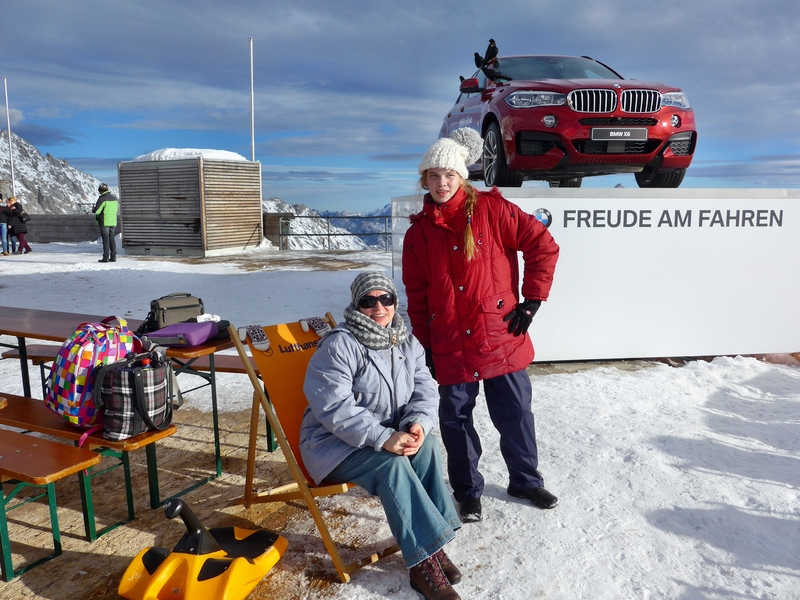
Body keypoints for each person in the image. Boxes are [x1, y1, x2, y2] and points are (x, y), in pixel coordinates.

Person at [402, 128, 560, 523]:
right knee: (455, 420)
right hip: (450, 342)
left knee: (515, 413)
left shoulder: (493, 210)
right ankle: (467, 490)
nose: (442, 184)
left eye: (449, 175)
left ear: (462, 177)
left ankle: (525, 480)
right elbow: (417, 295)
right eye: (434, 176)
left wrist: (533, 301)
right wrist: (425, 348)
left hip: (500, 335)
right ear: (424, 180)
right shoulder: (418, 233)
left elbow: (542, 245)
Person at [300, 272, 463, 600]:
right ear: (356, 305)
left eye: (385, 299)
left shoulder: (405, 339)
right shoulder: (340, 344)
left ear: (395, 302)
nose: (379, 307)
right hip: (333, 444)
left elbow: (425, 386)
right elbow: (333, 406)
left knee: (427, 446)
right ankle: (422, 564)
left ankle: (432, 545)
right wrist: (382, 437)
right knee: (392, 466)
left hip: (387, 434)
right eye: (368, 301)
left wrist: (417, 423)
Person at [93, 183, 119, 262]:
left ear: (100, 191)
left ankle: (105, 257)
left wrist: (93, 209)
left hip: (104, 221)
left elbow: (97, 211)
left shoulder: (102, 199)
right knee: (112, 239)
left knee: (105, 239)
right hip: (113, 221)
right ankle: (113, 256)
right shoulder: (114, 199)